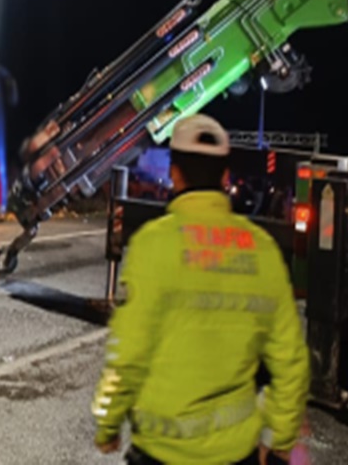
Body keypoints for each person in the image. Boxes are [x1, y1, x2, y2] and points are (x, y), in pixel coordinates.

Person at [91, 114, 308, 465]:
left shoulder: (152, 244)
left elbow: (127, 355)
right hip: (236, 453)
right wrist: (280, 437)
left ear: (174, 174)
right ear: (225, 177)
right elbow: (291, 361)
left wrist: (108, 423)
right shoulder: (262, 248)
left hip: (160, 451)